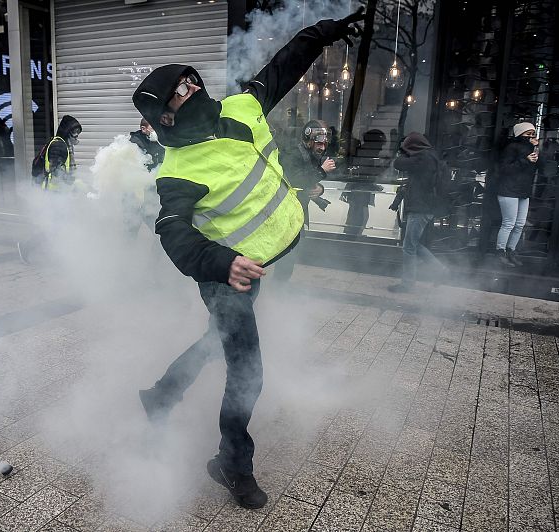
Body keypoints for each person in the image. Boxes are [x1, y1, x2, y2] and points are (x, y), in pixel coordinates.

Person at [131, 9, 365, 510]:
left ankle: (159, 397)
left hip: (256, 261)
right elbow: (170, 231)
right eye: (181, 91)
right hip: (226, 276)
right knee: (248, 373)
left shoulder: (242, 106)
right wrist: (221, 264)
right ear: (165, 118)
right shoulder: (177, 171)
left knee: (214, 344)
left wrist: (323, 32)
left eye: (192, 79)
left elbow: (287, 63)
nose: (194, 88)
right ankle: (232, 465)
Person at [273, 120, 333, 282]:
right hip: (285, 213)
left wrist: (319, 188)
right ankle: (276, 290)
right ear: (309, 140)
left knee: (291, 254)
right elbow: (296, 179)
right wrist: (322, 171)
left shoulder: (309, 155)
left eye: (324, 143)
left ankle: (279, 288)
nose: (322, 147)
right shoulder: (294, 153)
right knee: (287, 255)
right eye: (319, 143)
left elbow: (309, 181)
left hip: (296, 211)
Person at [387, 132, 448, 293]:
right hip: (425, 208)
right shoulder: (430, 157)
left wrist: (402, 152)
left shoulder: (423, 158)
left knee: (408, 247)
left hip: (420, 208)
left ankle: (408, 284)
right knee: (413, 243)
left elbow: (398, 164)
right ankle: (439, 270)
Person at [17, 115, 82, 264]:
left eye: (78, 131)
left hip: (59, 193)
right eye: (75, 131)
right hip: (54, 194)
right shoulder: (59, 145)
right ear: (67, 130)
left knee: (57, 226)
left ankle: (55, 254)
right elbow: (55, 170)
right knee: (54, 227)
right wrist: (71, 184)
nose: (77, 135)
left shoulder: (64, 144)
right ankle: (27, 247)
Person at [495, 122, 538, 267]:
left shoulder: (531, 148)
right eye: (528, 133)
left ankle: (511, 250)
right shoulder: (511, 147)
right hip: (508, 190)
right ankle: (500, 251)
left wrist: (535, 149)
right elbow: (505, 169)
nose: (531, 136)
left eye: (533, 133)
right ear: (519, 134)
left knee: (519, 224)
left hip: (522, 191)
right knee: (509, 223)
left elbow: (538, 166)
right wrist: (525, 160)